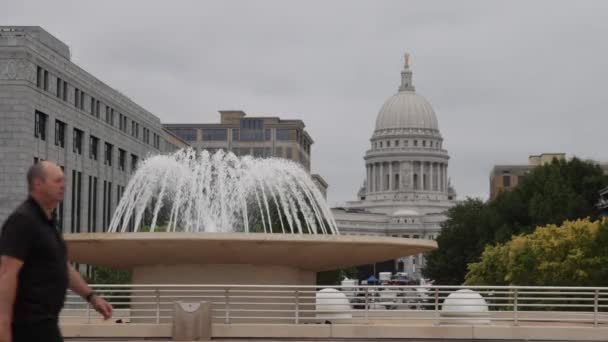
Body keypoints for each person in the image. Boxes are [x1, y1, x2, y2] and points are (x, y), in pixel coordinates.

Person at [0, 161, 113, 342]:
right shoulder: (22, 220)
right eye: (57, 180)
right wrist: (3, 326)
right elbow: (6, 274)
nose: (63, 185)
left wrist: (91, 297)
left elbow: (62, 267)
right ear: (38, 184)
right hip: (25, 325)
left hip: (46, 323)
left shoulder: (49, 222)